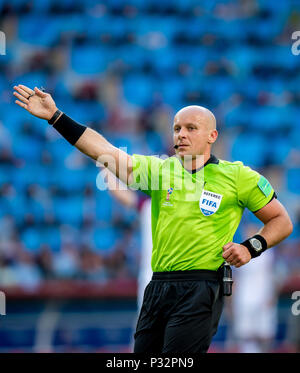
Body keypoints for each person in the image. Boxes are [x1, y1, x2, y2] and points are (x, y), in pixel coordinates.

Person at [13, 84, 293, 353]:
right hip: (157, 286)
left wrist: (250, 247)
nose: (181, 134)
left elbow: (281, 221)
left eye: (191, 128)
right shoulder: (159, 171)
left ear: (212, 136)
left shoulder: (238, 176)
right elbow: (103, 151)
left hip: (200, 286)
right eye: (176, 128)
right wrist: (55, 116)